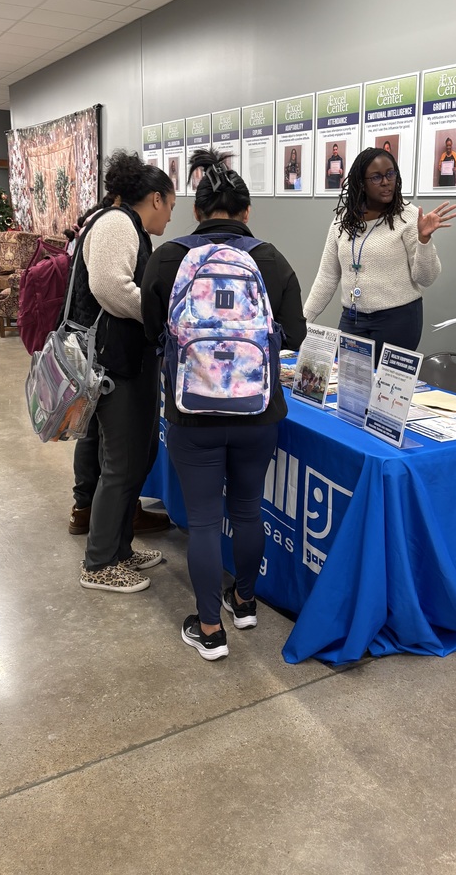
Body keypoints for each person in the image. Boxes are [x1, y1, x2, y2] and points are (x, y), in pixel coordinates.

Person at [141, 149, 306, 661]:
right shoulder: (271, 258)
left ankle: (210, 630)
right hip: (258, 410)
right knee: (248, 508)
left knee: (207, 520)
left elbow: (152, 331)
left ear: (197, 211)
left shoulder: (169, 257)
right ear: (247, 211)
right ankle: (246, 602)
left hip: (193, 411)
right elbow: (295, 335)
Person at [71, 151, 176, 593]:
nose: (171, 217)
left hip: (125, 360)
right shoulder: (116, 223)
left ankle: (120, 549)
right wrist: (163, 315)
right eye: (170, 206)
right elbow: (111, 287)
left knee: (135, 457)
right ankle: (99, 564)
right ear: (154, 198)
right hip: (116, 363)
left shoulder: (122, 223)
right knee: (122, 462)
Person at [303, 146, 456, 363]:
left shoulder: (409, 216)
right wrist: (304, 320)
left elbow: (426, 278)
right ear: (361, 183)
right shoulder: (343, 220)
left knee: (387, 391)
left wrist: (424, 240)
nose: (386, 182)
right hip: (352, 318)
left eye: (390, 174)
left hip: (398, 320)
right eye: (376, 177)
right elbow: (327, 276)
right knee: (349, 386)